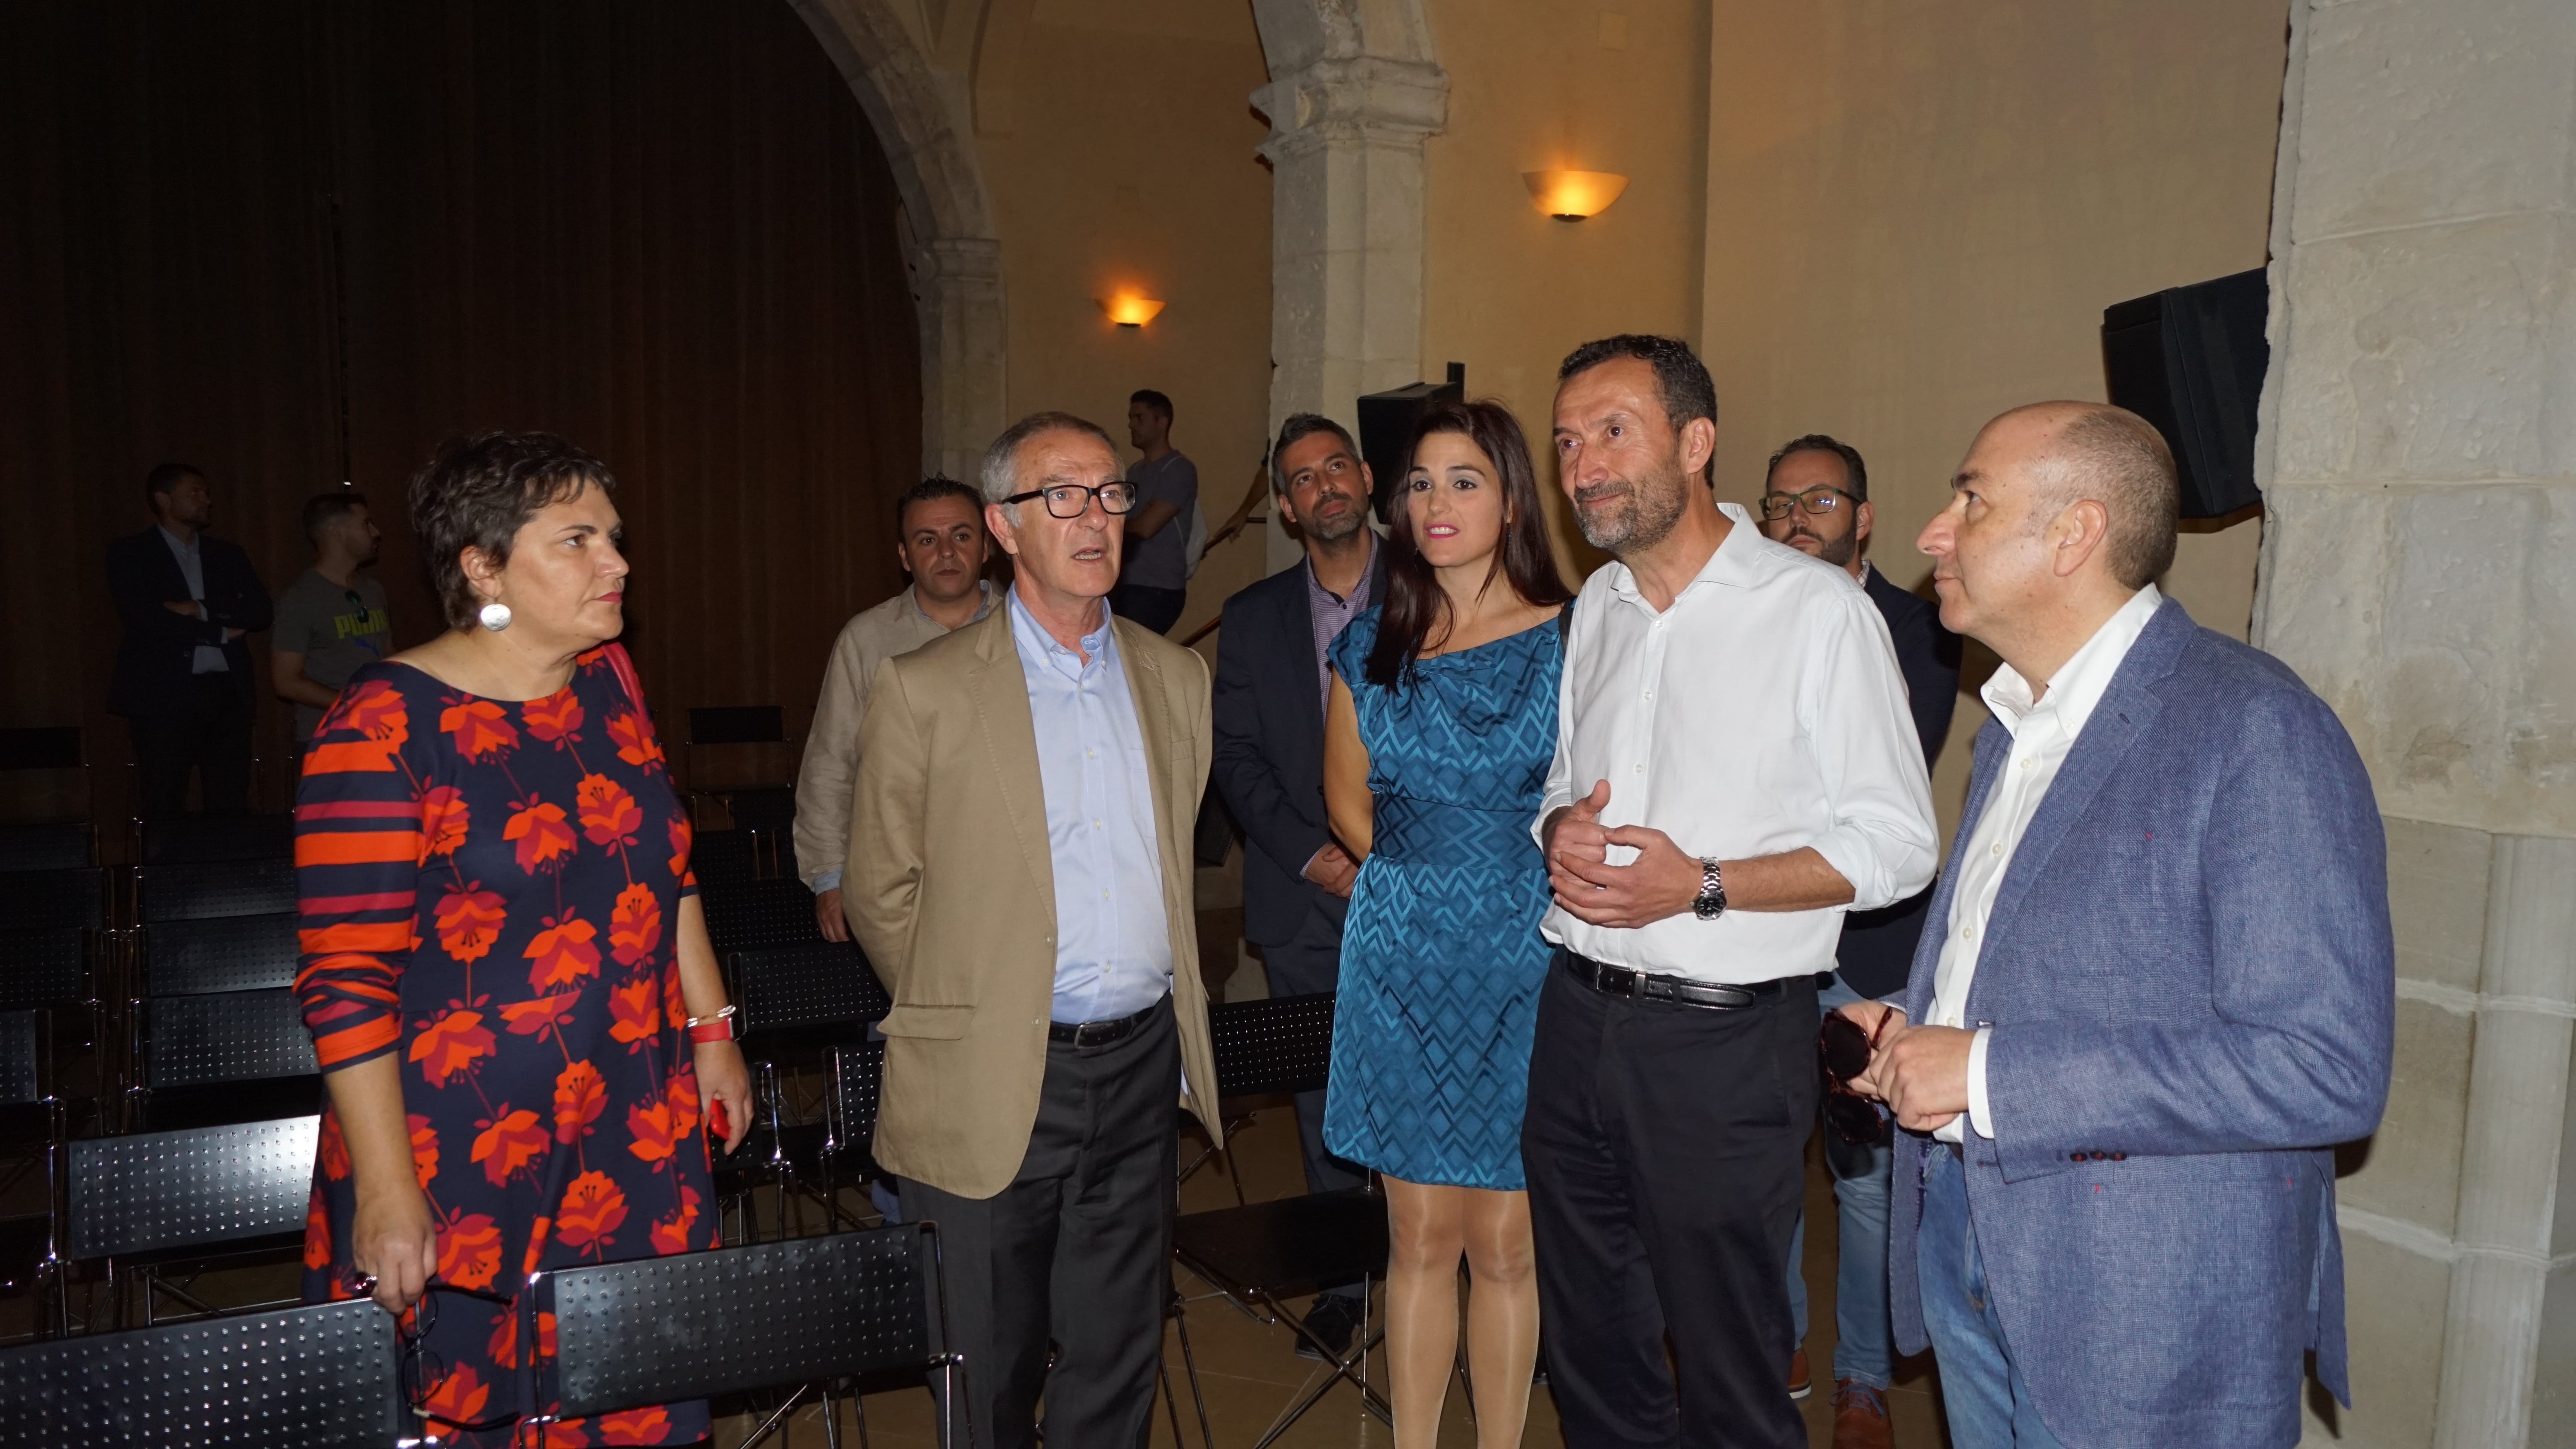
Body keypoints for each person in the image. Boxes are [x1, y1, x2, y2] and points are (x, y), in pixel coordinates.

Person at [1841, 402, 2393, 1449]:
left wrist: (1985, 1071)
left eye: (1971, 499)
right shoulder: (2017, 723)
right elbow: (2068, 963)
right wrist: (1917, 1020)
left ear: (2075, 533)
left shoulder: (2256, 727)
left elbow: (2324, 1064)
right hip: (1971, 1233)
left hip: (2140, 1309)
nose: (1932, 532)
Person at [293, 431, 753, 1448]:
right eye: (578, 539)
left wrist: (713, 1028)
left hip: (633, 1120)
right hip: (464, 1146)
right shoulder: (382, 723)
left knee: (637, 1400)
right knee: (474, 1413)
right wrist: (388, 1187)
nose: (617, 562)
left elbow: (667, 865)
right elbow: (344, 977)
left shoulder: (609, 680)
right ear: (483, 567)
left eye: (614, 536)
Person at [1528, 335, 1936, 1449]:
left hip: (1724, 1046)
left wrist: (1701, 884)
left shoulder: (1816, 612)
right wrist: (1558, 830)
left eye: (1614, 432)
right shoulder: (1598, 606)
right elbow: (1562, 784)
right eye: (1567, 441)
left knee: (1732, 1378)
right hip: (1574, 1018)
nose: (1583, 466)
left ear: (1696, 442)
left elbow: (1899, 846)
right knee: (1593, 1358)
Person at [845, 412, 1222, 1449]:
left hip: (1140, 1065)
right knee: (990, 1362)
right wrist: (973, 1009)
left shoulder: (1176, 678)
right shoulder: (925, 688)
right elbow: (881, 888)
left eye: (1110, 494)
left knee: (1118, 1352)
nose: (1095, 517)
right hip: (996, 1070)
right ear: (1004, 527)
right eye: (1062, 496)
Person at [1320, 399, 1569, 1448]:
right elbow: (1347, 804)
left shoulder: (1575, 638)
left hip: (1531, 954)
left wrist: (1506, 885)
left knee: (1507, 1240)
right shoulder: (1369, 644)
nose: (1436, 501)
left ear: (1512, 500)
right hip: (1403, 955)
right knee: (1419, 1234)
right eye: (1420, 481)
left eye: (1464, 480)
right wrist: (1431, 883)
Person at [1756, 433, 1959, 1447]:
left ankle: (1865, 1378)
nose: (1797, 518)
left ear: (1864, 517)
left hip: (1871, 950)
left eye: (1821, 500)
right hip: (1760, 938)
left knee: (1869, 1180)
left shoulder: (1918, 629)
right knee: (1766, 1156)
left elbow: (1865, 784)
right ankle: (1784, 1334)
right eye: (1780, 502)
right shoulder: (1743, 618)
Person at [1207, 411, 1387, 1357]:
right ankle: (1344, 1279)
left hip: (1426, 895)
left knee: (1441, 1086)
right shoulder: (1252, 617)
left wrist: (1393, 861)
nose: (1326, 486)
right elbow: (1236, 759)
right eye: (1304, 478)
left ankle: (1446, 1264)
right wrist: (1317, 855)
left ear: (1366, 477)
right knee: (1324, 1096)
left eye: (1336, 466)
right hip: (1302, 892)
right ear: (1285, 507)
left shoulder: (1441, 590)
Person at [794, 476, 994, 943]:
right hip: (899, 883)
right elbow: (831, 764)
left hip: (1006, 878)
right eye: (927, 540)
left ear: (987, 546)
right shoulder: (867, 641)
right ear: (905, 556)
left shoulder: (1029, 635)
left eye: (961, 535)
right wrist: (829, 877)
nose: (947, 552)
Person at [107, 462, 273, 816]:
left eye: (206, 492)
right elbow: (147, 618)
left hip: (226, 695)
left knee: (230, 803)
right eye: (195, 492)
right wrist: (219, 632)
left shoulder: (227, 554)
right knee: (163, 801)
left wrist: (199, 608)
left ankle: (227, 855)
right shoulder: (131, 553)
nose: (207, 500)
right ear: (164, 499)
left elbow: (260, 611)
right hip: (162, 697)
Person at [272, 490, 393, 745]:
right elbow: (286, 682)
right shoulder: (300, 598)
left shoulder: (373, 591)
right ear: (336, 532)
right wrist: (353, 704)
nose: (376, 532)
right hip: (329, 738)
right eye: (366, 524)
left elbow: (388, 653)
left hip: (381, 730)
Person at [1107, 388, 1197, 634]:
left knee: (1134, 653)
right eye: (1131, 418)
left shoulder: (1178, 469)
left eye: (1140, 418)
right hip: (1126, 583)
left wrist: (1122, 524)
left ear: (1162, 422)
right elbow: (1121, 518)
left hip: (1157, 589)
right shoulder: (1135, 471)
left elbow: (1145, 528)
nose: (1131, 425)